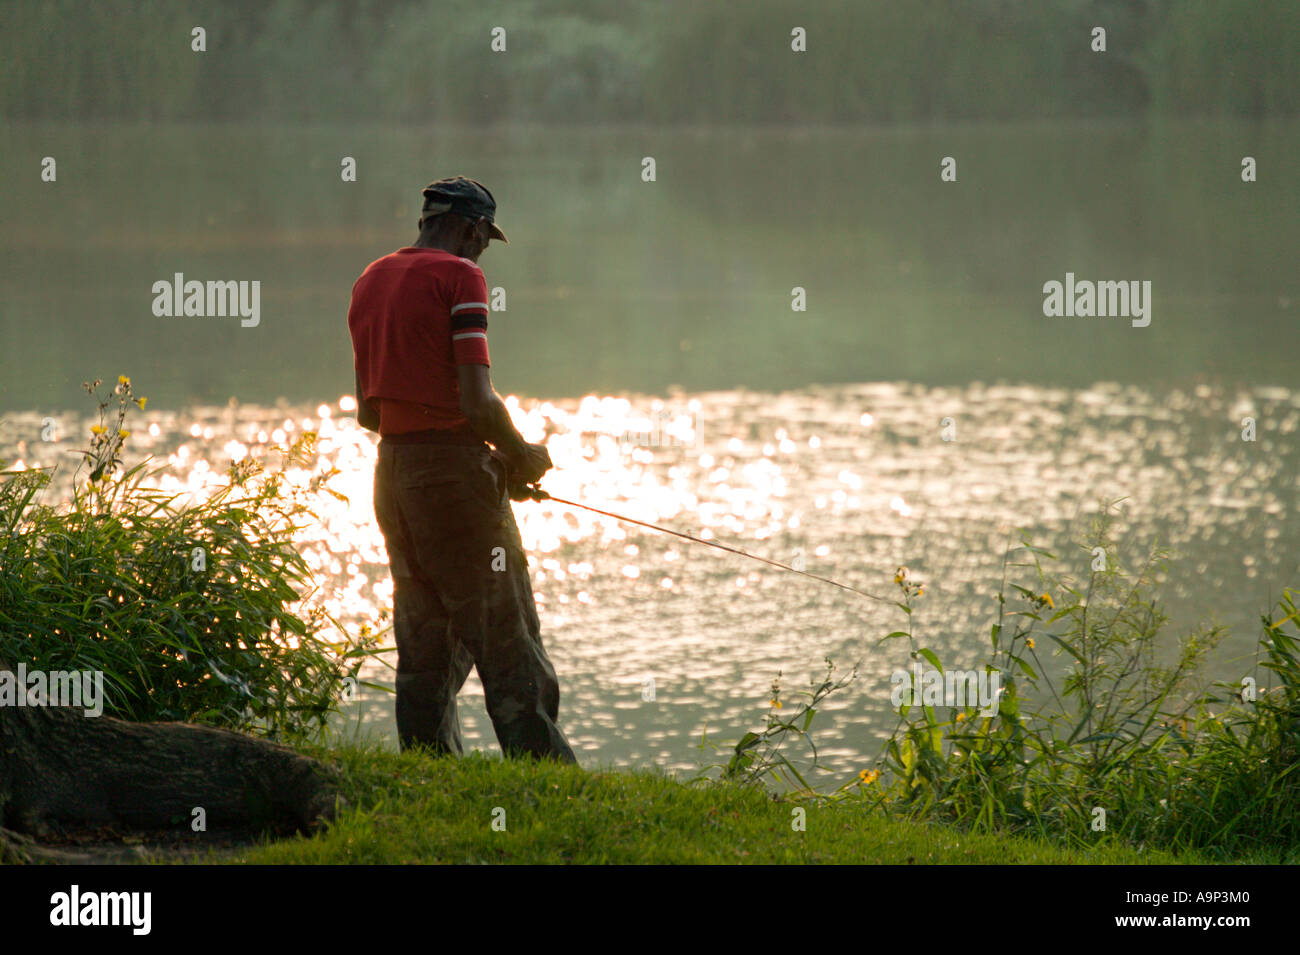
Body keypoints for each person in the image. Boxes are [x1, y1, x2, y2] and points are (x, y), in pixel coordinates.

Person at [347, 176, 577, 762]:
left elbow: (368, 411)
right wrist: (519, 456)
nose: (482, 252)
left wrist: (482, 460)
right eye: (484, 239)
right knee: (507, 633)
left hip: (392, 477)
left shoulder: (370, 280)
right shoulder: (461, 278)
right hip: (453, 479)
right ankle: (545, 775)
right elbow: (478, 403)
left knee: (423, 638)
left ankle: (428, 769)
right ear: (471, 228)